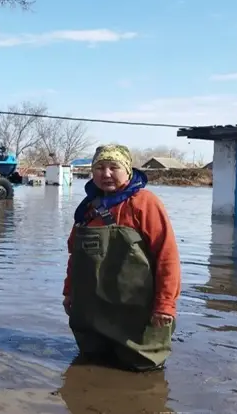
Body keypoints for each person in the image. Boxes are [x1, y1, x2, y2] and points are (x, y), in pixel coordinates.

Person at [62, 144, 181, 372]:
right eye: (99, 167)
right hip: (92, 313)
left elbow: (167, 257)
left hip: (135, 314)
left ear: (127, 169)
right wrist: (69, 291)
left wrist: (165, 305)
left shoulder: (144, 203)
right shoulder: (87, 209)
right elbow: (74, 256)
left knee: (141, 370)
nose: (105, 174)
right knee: (90, 366)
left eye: (113, 167)